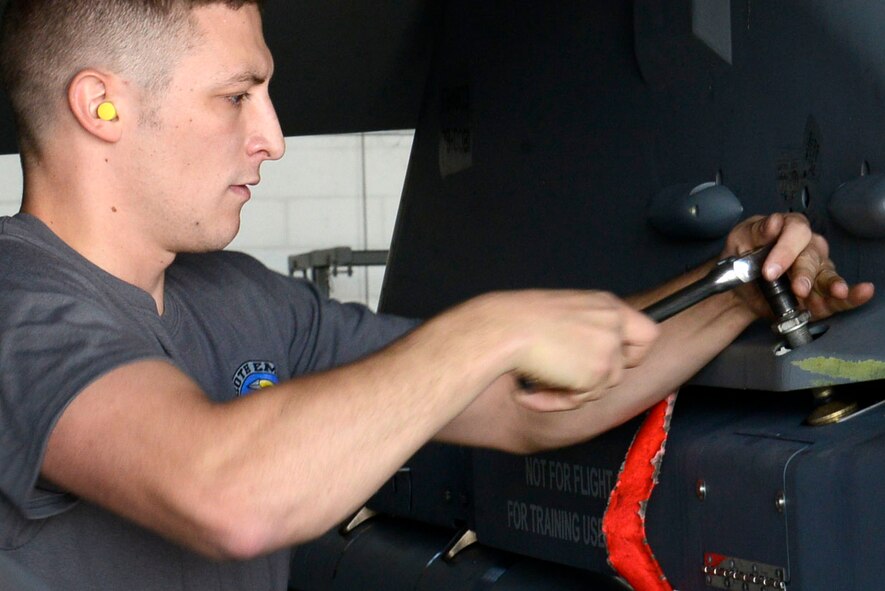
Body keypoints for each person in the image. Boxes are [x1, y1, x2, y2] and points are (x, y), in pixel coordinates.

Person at [0, 1, 873, 589]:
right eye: (237, 97)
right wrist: (490, 328)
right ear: (101, 107)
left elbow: (526, 405)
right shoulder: (18, 299)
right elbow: (226, 494)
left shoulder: (240, 300)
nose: (270, 137)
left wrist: (734, 292)